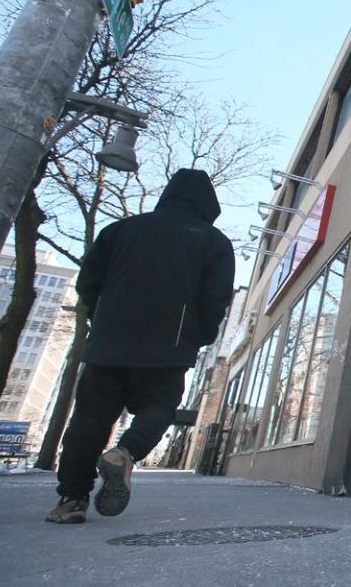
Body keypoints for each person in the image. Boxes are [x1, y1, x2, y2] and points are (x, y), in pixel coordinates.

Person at [46, 169, 235, 524]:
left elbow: (89, 281)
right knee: (159, 407)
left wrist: (99, 321)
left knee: (89, 419)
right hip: (168, 346)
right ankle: (125, 453)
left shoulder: (120, 230)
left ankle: (71, 499)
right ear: (209, 204)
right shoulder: (213, 241)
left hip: (109, 342)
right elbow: (216, 298)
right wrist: (200, 336)